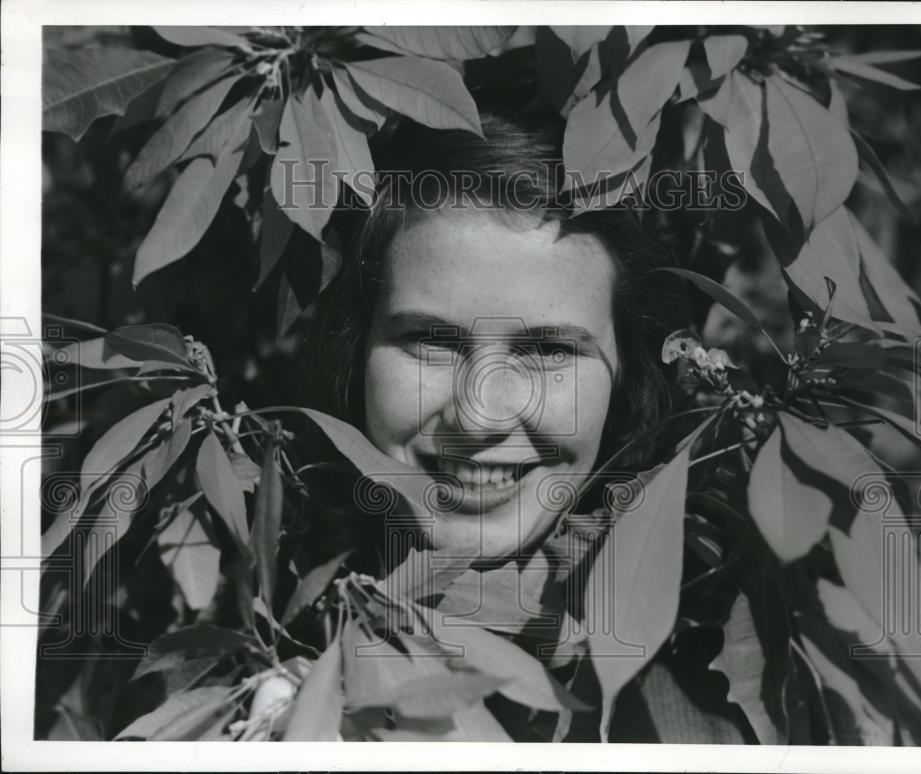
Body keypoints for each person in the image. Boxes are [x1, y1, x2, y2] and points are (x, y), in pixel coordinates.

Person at [307, 111, 754, 743]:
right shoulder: (253, 648)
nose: (481, 416)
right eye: (431, 341)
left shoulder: (712, 716)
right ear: (354, 356)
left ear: (628, 376)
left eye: (548, 351)